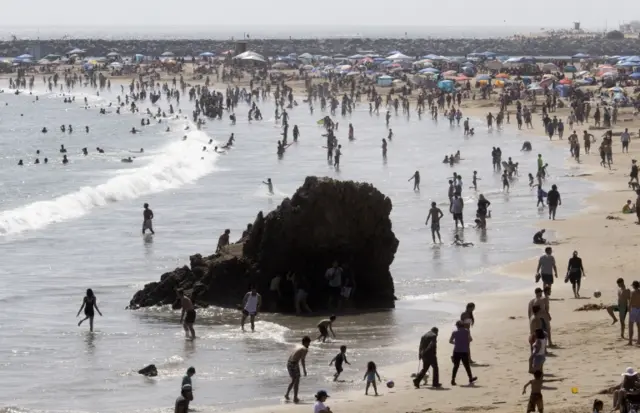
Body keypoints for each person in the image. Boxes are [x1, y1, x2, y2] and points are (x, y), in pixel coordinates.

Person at [449, 320, 477, 386]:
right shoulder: (466, 331)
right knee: (466, 365)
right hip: (464, 351)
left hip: (456, 351)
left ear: (457, 326)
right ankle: (470, 378)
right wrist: (465, 343)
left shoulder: (454, 332)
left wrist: (456, 343)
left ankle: (453, 380)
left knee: (456, 366)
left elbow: (450, 341)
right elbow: (470, 339)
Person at [285, 336, 311, 403]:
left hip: (289, 363)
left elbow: (292, 356)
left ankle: (287, 394)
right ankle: (295, 398)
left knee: (293, 380)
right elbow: (302, 360)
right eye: (308, 343)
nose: (309, 344)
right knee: (297, 381)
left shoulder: (298, 346)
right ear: (305, 342)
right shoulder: (304, 349)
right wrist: (304, 370)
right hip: (294, 364)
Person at [628, 280, 640, 346]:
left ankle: (630, 342)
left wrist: (629, 309)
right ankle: (639, 340)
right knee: (639, 326)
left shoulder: (633, 292)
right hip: (639, 309)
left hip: (634, 309)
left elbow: (631, 302)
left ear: (634, 286)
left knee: (631, 325)